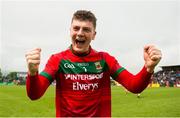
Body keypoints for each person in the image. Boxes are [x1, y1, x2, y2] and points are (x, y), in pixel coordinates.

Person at [25, 10, 162, 117]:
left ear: (94, 34)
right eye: (76, 28)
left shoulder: (105, 59)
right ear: (70, 31)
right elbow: (34, 94)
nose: (80, 33)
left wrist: (148, 67)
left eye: (86, 29)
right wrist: (32, 73)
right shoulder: (57, 59)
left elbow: (134, 86)